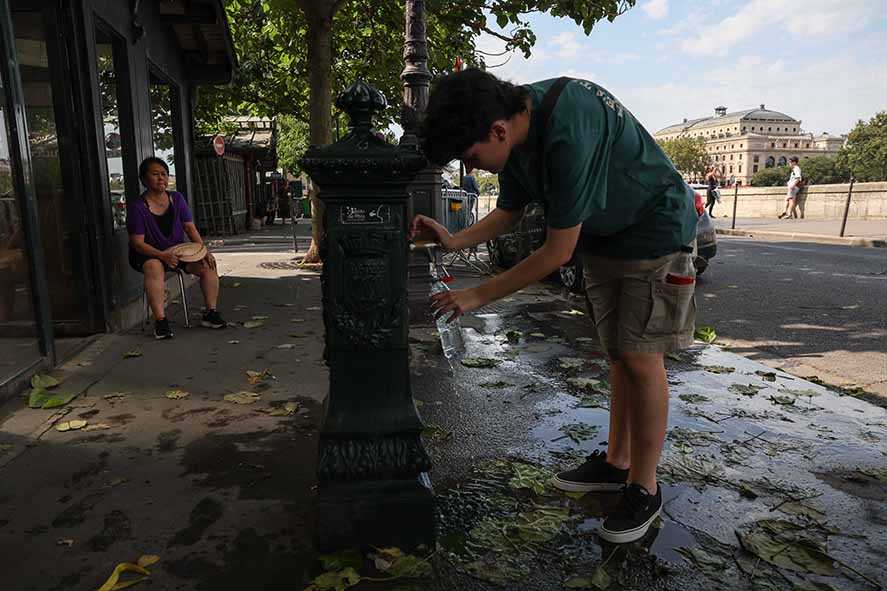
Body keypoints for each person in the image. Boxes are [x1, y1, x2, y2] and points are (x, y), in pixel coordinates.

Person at [410, 70, 697, 544]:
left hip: (657, 231)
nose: (474, 168)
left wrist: (474, 296)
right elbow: (509, 213)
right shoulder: (515, 138)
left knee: (643, 358)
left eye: (471, 156)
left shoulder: (568, 123)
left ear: (498, 130)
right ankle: (616, 463)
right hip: (607, 240)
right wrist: (454, 239)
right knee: (620, 355)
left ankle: (644, 488)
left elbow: (556, 252)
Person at [127, 157, 226, 339]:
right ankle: (161, 322)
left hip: (177, 252)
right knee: (154, 266)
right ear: (144, 179)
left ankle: (211, 312)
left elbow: (190, 228)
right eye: (155, 174)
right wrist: (162, 256)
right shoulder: (137, 208)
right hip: (147, 254)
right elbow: (137, 243)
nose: (161, 178)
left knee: (208, 264)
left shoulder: (177, 198)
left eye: (164, 174)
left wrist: (203, 251)